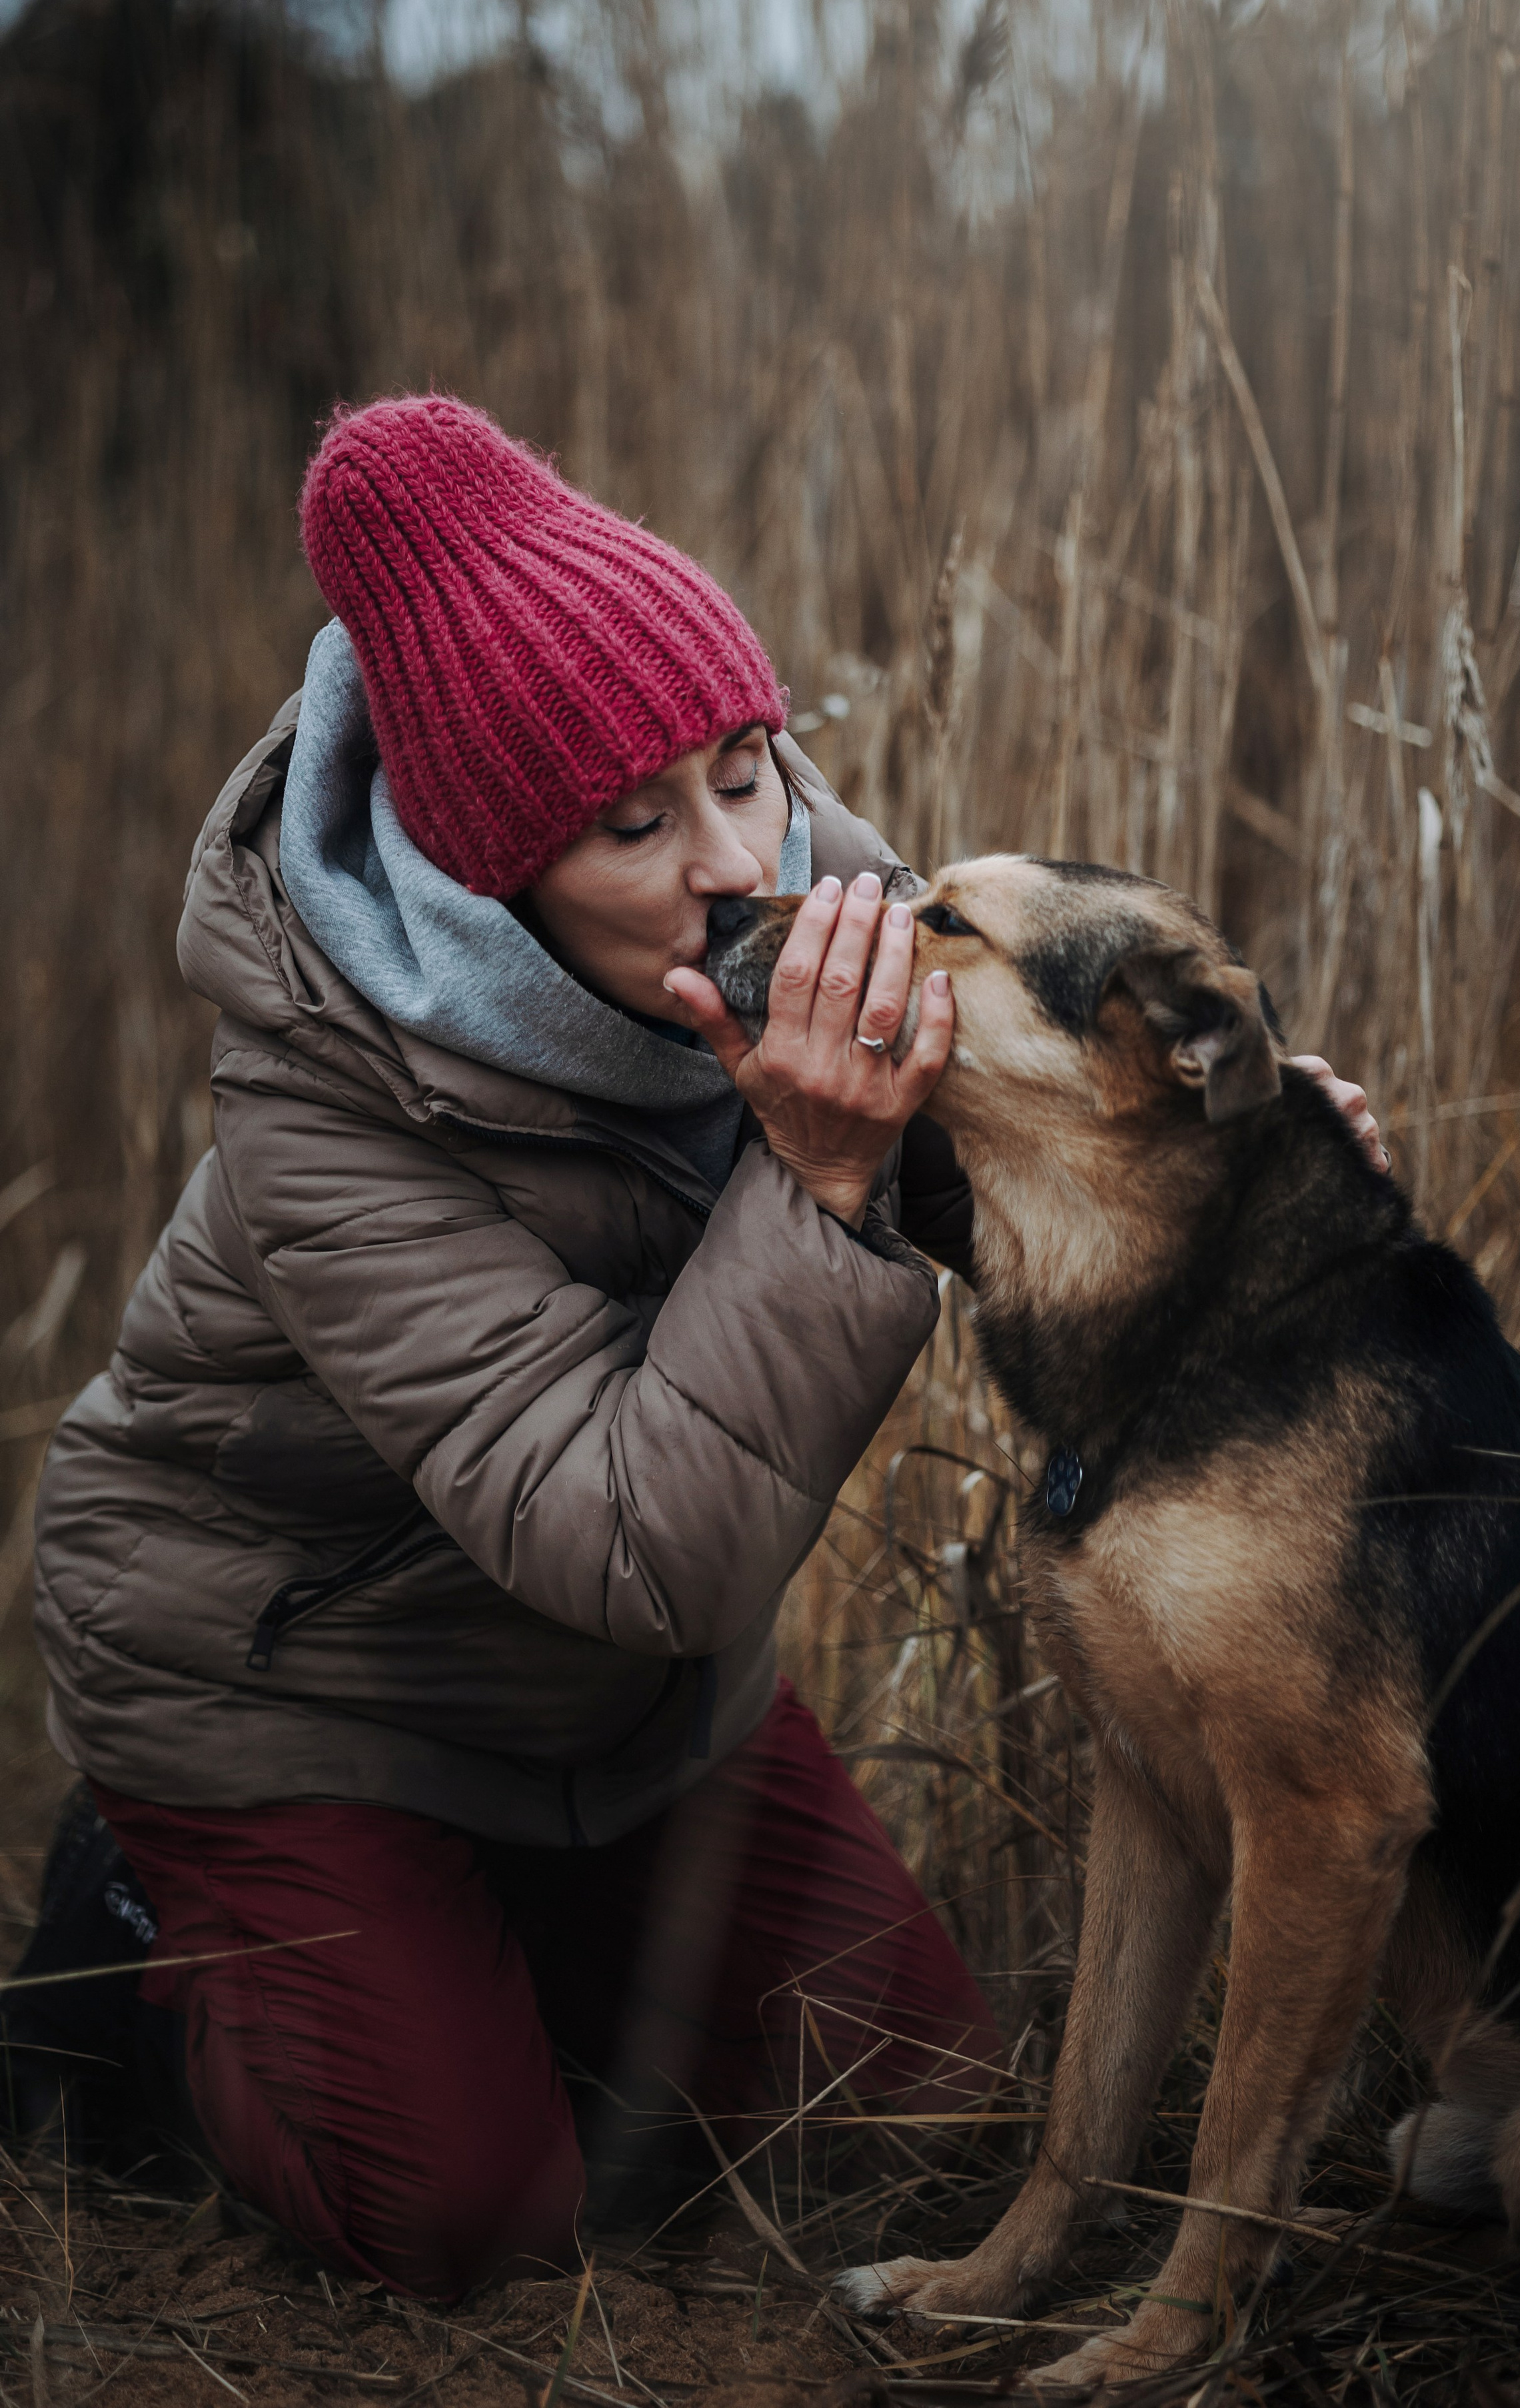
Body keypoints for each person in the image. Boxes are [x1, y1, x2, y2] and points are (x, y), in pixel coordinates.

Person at [26, 394, 1385, 2301]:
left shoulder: (808, 872)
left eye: (745, 767)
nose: (743, 861)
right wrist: (817, 1171)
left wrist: (1221, 1171)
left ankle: (508, 1937)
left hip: (624, 1723)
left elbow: (1001, 1154)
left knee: (911, 2113)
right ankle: (138, 1940)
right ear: (496, 866)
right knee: (475, 2214)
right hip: (305, 1682)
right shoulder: (323, 1119)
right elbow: (640, 1546)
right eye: (633, 823)